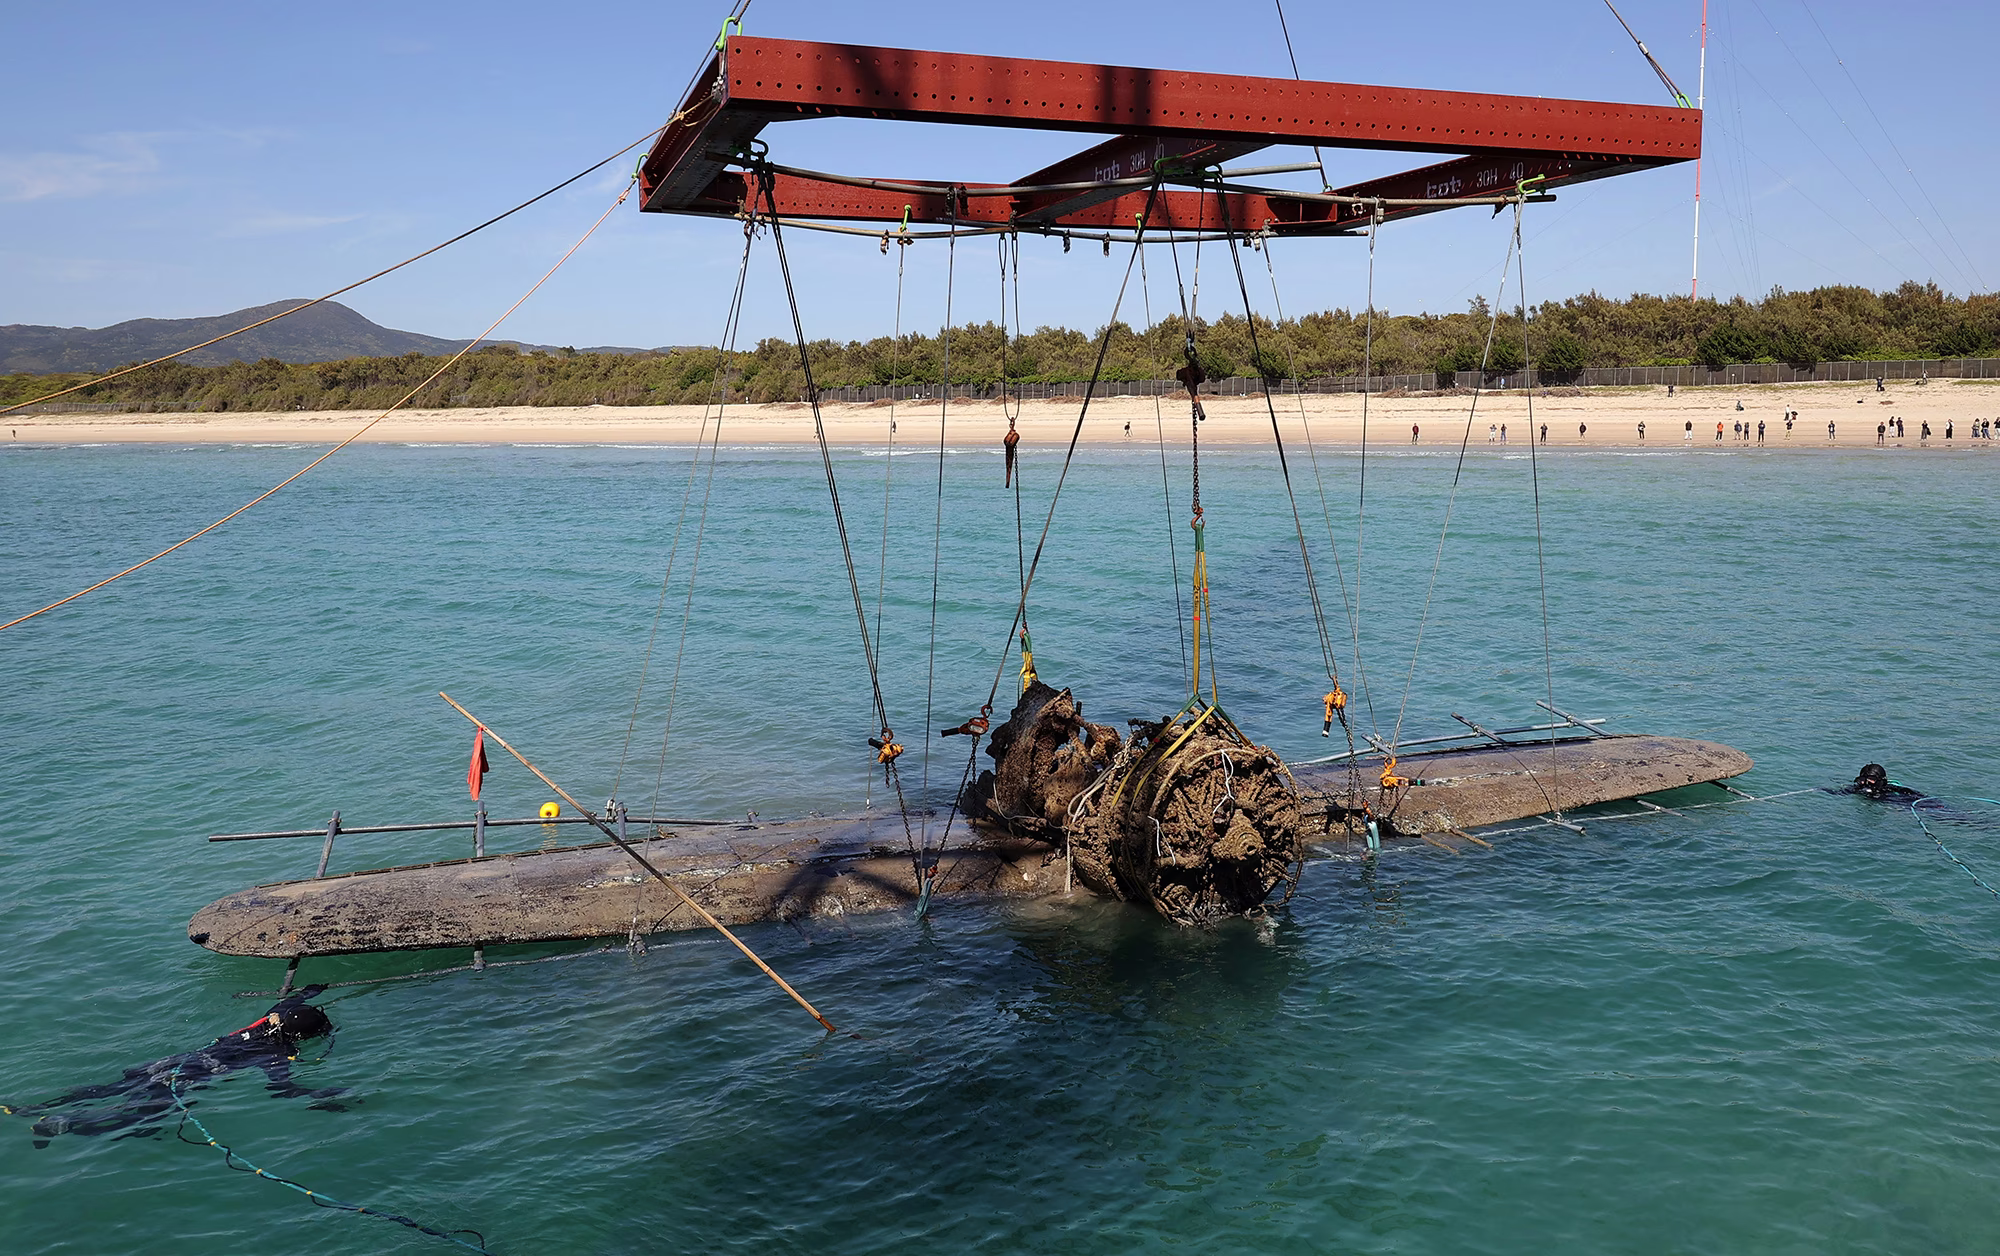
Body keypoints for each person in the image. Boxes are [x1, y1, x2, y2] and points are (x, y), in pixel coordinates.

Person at [3, 988, 347, 1149]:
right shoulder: (276, 1053)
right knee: (135, 1118)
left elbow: (287, 1003)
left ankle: (33, 1107)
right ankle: (60, 1125)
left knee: (109, 1088)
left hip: (171, 1062)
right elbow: (280, 1088)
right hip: (186, 1079)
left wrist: (310, 991)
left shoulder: (264, 1024)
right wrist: (319, 1094)